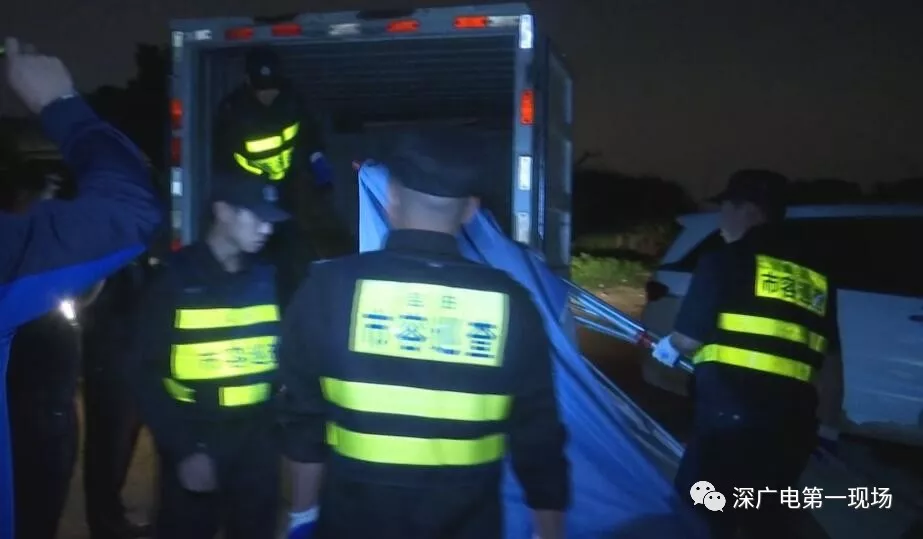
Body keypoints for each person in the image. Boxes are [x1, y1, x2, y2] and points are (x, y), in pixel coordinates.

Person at [276, 131, 570, 539]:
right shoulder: (511, 303)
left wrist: (301, 518)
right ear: (470, 210)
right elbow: (539, 439)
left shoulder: (329, 289)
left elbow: (302, 424)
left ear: (392, 196)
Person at [0, 37, 163, 538]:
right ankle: (104, 519)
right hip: (56, 394)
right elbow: (127, 210)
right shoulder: (24, 257)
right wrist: (61, 105)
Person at [651, 170, 844, 539]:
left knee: (701, 516)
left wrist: (669, 347)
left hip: (729, 424)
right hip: (793, 426)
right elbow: (831, 361)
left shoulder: (724, 261)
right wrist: (829, 428)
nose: (720, 219)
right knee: (764, 520)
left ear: (749, 210)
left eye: (725, 207)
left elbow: (688, 339)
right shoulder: (815, 278)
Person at [132, 172, 289, 539]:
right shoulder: (174, 280)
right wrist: (185, 450)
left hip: (257, 447)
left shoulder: (269, 277)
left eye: (271, 219)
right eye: (257, 217)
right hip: (196, 439)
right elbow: (143, 373)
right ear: (223, 211)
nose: (267, 228)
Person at [4, 169, 105, 539]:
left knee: (44, 506)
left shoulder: (53, 268)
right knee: (30, 505)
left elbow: (83, 296)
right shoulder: (17, 264)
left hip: (54, 412)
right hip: (30, 415)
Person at [213, 47, 349, 307]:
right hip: (251, 196)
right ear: (248, 82)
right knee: (256, 257)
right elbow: (224, 161)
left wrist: (320, 169)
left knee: (296, 251)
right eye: (262, 88)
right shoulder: (233, 112)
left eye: (272, 87)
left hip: (289, 190)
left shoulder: (292, 102)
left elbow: (310, 138)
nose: (268, 94)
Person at [81, 256, 155, 539]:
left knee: (117, 446)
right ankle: (105, 525)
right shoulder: (106, 258)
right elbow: (85, 302)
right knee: (108, 449)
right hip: (109, 365)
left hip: (126, 363)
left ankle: (110, 516)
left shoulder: (134, 259)